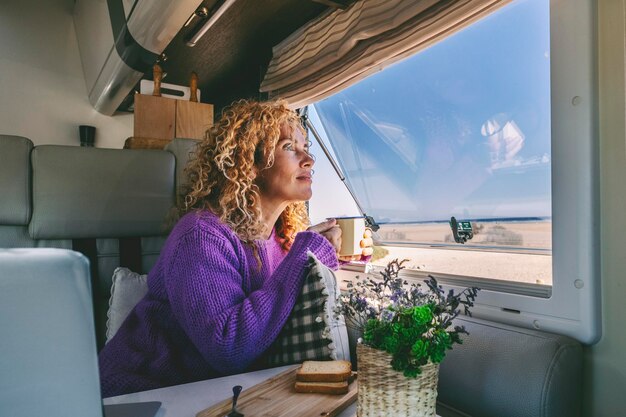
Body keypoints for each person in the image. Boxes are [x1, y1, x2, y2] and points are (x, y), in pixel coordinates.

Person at [98, 99, 372, 397]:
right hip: (141, 395)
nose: (309, 159)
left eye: (305, 147)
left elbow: (282, 296)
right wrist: (309, 253)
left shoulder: (282, 239)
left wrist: (336, 256)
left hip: (211, 394)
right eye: (289, 147)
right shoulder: (201, 235)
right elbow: (228, 347)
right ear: (251, 162)